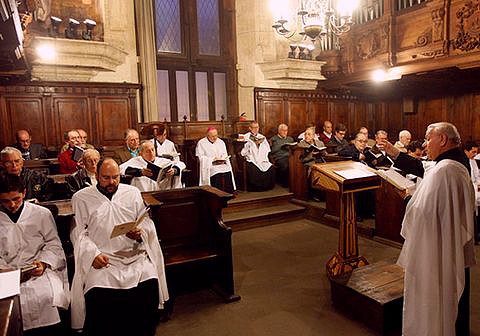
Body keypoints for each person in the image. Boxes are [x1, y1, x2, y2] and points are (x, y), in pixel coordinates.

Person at [379, 122, 476, 336]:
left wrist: (408, 198)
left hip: (438, 248)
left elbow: (424, 214)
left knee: (439, 297)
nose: (424, 145)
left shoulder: (444, 171)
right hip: (452, 243)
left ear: (442, 139)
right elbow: (423, 167)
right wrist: (395, 153)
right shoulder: (456, 162)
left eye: (427, 139)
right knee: (456, 301)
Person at [70, 158, 169, 336]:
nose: (112, 182)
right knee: (98, 291)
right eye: (106, 178)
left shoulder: (131, 192)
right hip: (104, 258)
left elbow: (146, 222)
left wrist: (140, 233)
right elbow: (79, 233)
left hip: (134, 254)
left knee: (149, 281)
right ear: (96, 176)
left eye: (115, 177)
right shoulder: (82, 198)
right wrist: (93, 255)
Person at [0, 174, 69, 334]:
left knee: (46, 297)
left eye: (16, 199)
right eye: (5, 201)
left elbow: (53, 244)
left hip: (39, 271)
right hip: (7, 273)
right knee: (9, 308)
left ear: (24, 193)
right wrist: (8, 271)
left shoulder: (41, 213)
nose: (12, 205)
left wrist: (44, 263)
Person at [338, 133, 375, 221]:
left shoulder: (366, 151)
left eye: (365, 141)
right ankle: (357, 214)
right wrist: (357, 156)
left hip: (367, 174)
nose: (363, 143)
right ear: (355, 141)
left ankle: (368, 212)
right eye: (360, 141)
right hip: (353, 176)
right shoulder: (351, 148)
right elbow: (341, 152)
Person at [120, 141, 185, 191]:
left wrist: (174, 170)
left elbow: (181, 164)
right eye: (147, 151)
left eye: (152, 150)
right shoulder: (135, 161)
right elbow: (120, 168)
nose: (151, 153)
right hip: (143, 194)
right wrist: (140, 172)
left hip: (162, 192)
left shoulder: (162, 161)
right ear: (141, 153)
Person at [195, 127, 236, 193]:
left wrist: (222, 158)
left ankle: (228, 191)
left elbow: (224, 153)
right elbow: (200, 157)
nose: (215, 138)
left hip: (221, 163)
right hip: (209, 165)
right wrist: (212, 159)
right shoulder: (201, 143)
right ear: (208, 135)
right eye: (213, 136)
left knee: (227, 169)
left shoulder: (221, 142)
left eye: (216, 135)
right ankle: (216, 192)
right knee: (216, 171)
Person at [240, 121, 275, 191]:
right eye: (254, 127)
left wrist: (259, 144)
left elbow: (268, 149)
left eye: (257, 127)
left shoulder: (262, 137)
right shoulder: (246, 137)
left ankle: (267, 187)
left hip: (262, 158)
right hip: (252, 158)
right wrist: (250, 144)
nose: (256, 129)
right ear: (250, 128)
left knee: (270, 167)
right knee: (254, 169)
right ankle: (256, 188)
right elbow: (242, 152)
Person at [464, 140, 480, 244]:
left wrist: (478, 183)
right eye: (472, 152)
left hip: (475, 186)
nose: (474, 154)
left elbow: (477, 176)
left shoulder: (473, 161)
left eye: (476, 152)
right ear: (466, 151)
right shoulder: (463, 161)